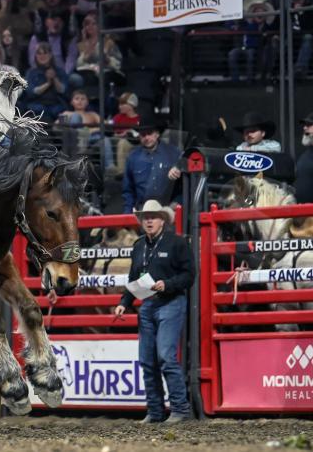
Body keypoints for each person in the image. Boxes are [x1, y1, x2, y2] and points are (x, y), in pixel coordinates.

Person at [114, 199, 194, 424]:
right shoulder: (139, 246)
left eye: (153, 217)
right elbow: (133, 278)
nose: (149, 221)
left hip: (170, 303)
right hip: (148, 305)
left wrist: (167, 284)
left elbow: (189, 275)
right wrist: (124, 302)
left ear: (162, 220)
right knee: (147, 361)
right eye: (145, 217)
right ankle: (156, 411)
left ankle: (180, 409)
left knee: (166, 356)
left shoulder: (176, 243)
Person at [124, 116, 181, 213]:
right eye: (143, 134)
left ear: (157, 134)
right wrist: (127, 215)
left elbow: (184, 185)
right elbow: (128, 191)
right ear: (139, 136)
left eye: (149, 133)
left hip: (169, 211)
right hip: (142, 212)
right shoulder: (133, 158)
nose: (146, 138)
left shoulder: (174, 154)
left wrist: (177, 202)